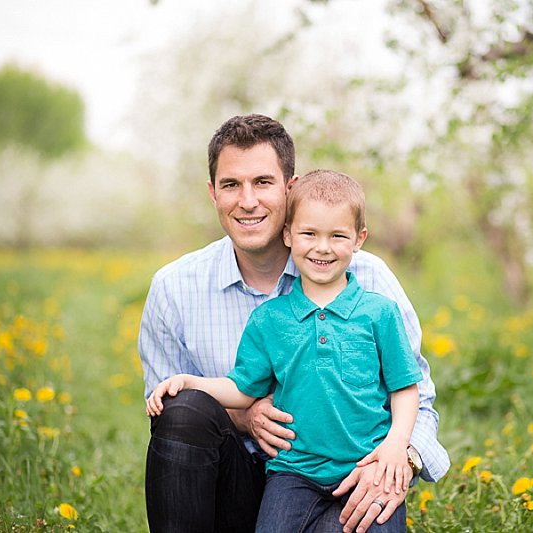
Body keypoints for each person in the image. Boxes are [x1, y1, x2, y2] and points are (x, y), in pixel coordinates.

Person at [139, 114, 450, 533]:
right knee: (184, 408)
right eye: (231, 184)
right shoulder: (174, 288)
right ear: (213, 193)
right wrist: (245, 417)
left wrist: (400, 458)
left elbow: (416, 396)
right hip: (249, 484)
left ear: (290, 188)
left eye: (263, 182)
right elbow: (166, 413)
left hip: (349, 473)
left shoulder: (369, 280)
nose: (247, 201)